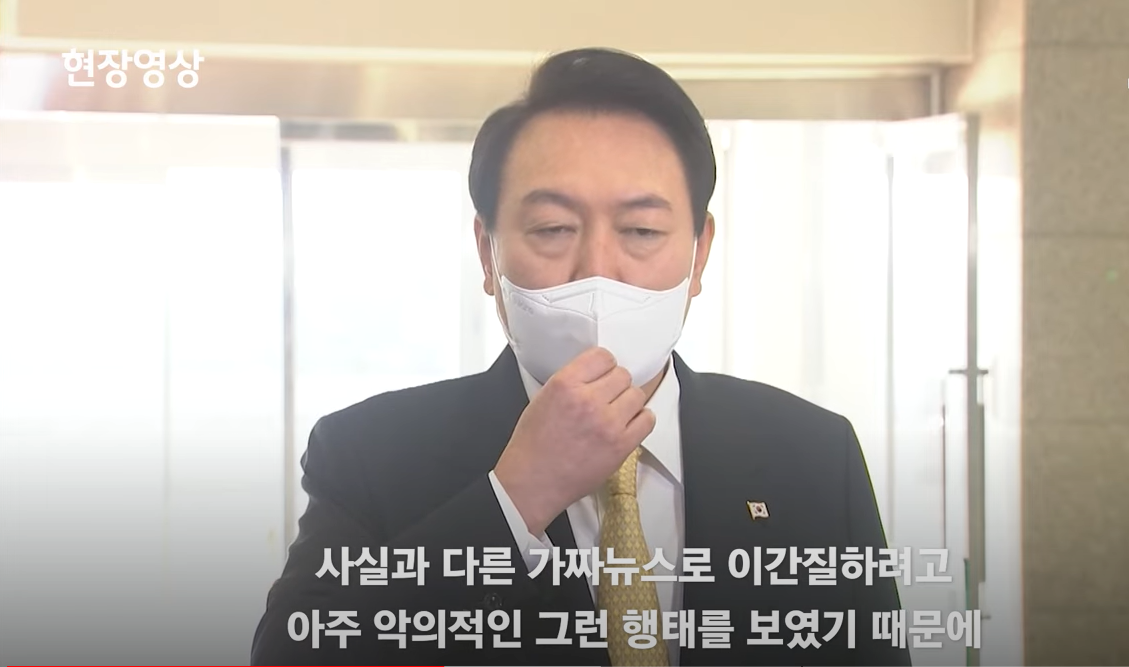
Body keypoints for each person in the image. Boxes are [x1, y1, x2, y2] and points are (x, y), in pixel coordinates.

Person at [251, 47, 910, 667]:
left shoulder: (812, 456)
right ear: (487, 253)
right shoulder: (371, 454)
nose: (597, 269)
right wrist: (514, 498)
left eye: (642, 230)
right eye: (553, 229)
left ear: (699, 252)